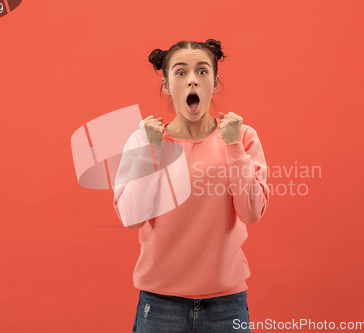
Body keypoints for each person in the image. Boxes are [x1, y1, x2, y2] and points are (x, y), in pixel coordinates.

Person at [112, 39, 270, 333]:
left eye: (202, 71)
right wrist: (151, 152)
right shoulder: (144, 140)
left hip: (226, 303)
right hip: (160, 305)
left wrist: (234, 146)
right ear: (166, 85)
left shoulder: (242, 137)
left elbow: (251, 213)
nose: (192, 80)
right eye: (181, 73)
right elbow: (131, 218)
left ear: (215, 82)